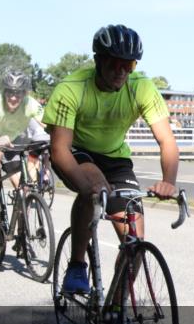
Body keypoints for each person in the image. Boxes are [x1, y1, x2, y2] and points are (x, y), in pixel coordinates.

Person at [43, 24, 179, 294]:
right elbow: (59, 151)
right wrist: (86, 188)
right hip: (77, 151)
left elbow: (167, 141)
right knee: (93, 188)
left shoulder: (141, 88)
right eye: (114, 63)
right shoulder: (71, 89)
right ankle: (77, 264)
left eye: (129, 65)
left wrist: (168, 181)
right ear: (98, 60)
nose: (121, 71)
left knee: (135, 243)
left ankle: (116, 308)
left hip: (116, 158)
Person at [0, 69, 45, 224]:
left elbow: (46, 126)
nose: (13, 97)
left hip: (11, 140)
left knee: (23, 187)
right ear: (4, 91)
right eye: (10, 92)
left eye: (18, 93)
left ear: (25, 93)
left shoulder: (31, 104)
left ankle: (22, 227)